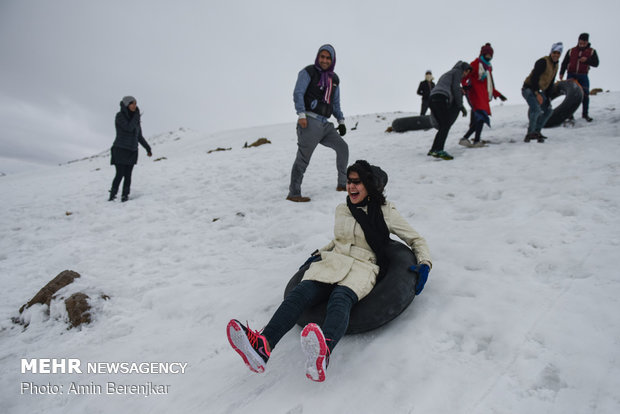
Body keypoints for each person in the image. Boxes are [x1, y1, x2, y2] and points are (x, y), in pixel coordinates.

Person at [227, 160, 432, 382]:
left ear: (370, 185)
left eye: (357, 182)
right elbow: (339, 240)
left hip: (363, 267)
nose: (351, 187)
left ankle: (323, 354)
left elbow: (416, 239)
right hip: (334, 262)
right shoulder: (343, 209)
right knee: (301, 292)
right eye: (349, 181)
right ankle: (263, 346)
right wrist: (318, 253)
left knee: (340, 298)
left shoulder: (386, 212)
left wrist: (424, 264)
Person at [287, 44, 348, 203]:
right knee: (303, 158)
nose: (325, 60)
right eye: (322, 57)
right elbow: (298, 92)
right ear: (317, 57)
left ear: (332, 60)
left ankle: (342, 184)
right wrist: (301, 114)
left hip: (325, 124)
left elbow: (335, 103)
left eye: (328, 58)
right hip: (310, 121)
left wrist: (340, 120)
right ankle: (294, 193)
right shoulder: (308, 72)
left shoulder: (334, 79)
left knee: (342, 147)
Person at [461, 43, 507, 148]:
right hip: (474, 94)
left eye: (490, 55)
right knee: (481, 117)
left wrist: (499, 95)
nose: (489, 56)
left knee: (481, 118)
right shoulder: (475, 63)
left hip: (483, 95)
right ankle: (471, 139)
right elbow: (464, 76)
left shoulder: (488, 68)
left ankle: (470, 139)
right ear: (482, 53)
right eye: (487, 54)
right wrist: (465, 86)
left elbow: (489, 84)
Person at [108, 96, 152, 202]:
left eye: (135, 104)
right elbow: (128, 128)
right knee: (120, 173)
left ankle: (125, 195)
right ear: (126, 104)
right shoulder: (119, 116)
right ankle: (113, 194)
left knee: (128, 174)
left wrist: (148, 148)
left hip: (132, 150)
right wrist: (136, 117)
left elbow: (139, 136)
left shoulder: (136, 120)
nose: (134, 106)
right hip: (120, 149)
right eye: (132, 103)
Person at [427, 61, 472, 160]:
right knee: (446, 125)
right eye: (467, 73)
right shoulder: (457, 72)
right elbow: (455, 89)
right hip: (440, 98)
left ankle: (434, 149)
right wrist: (461, 106)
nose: (466, 76)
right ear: (465, 70)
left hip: (433, 98)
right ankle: (439, 150)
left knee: (443, 125)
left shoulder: (449, 74)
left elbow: (453, 88)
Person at [522, 43, 563, 143]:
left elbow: (551, 82)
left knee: (548, 110)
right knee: (536, 109)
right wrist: (537, 93)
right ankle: (530, 133)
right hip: (529, 89)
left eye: (558, 53)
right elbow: (535, 77)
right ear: (551, 52)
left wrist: (548, 97)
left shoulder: (556, 65)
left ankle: (537, 131)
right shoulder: (543, 62)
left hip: (540, 91)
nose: (556, 55)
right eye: (554, 52)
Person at [560, 33, 600, 122]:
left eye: (584, 43)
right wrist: (561, 73)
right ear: (578, 41)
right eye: (581, 42)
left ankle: (585, 114)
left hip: (583, 75)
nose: (582, 44)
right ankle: (570, 115)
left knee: (585, 95)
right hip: (571, 74)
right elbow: (565, 62)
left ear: (587, 42)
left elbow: (596, 63)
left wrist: (587, 60)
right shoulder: (571, 50)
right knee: (570, 96)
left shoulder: (592, 51)